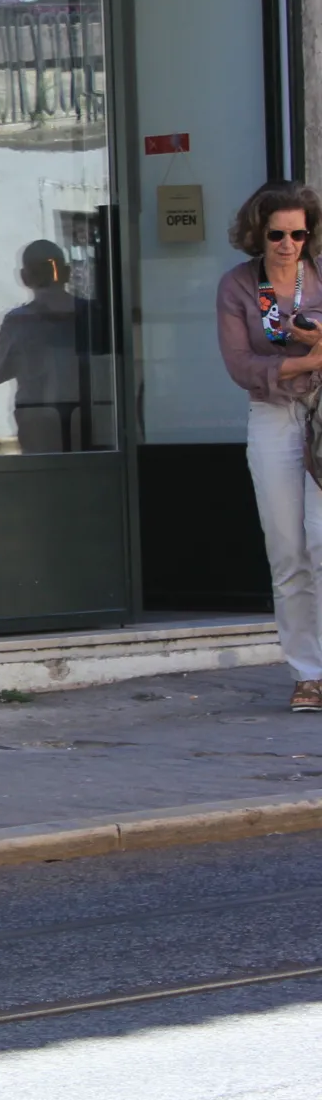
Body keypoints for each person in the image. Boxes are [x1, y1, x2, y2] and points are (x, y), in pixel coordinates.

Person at [219, 181, 322, 713]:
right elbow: (239, 366)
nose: (288, 244)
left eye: (298, 234)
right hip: (274, 413)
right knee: (288, 551)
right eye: (277, 234)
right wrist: (304, 361)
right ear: (257, 232)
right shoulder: (238, 286)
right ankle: (308, 674)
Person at [0, 238, 102, 453]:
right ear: (67, 272)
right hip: (84, 415)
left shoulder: (17, 322)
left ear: (24, 277)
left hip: (37, 419)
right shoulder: (93, 315)